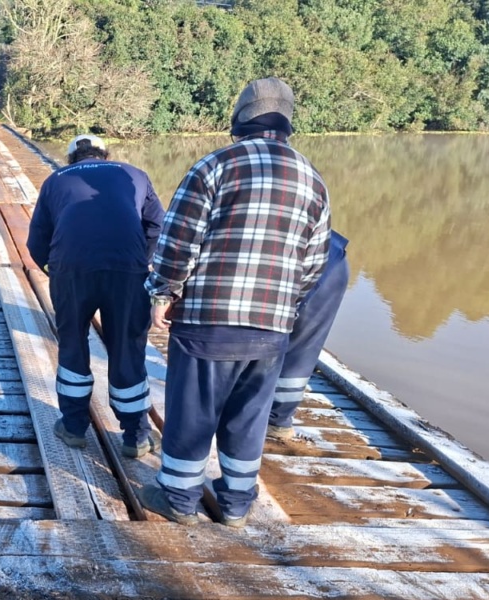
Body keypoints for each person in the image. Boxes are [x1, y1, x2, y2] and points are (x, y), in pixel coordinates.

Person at [143, 78, 331, 527]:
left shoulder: (214, 167)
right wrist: (284, 310)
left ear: (240, 117)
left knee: (193, 412)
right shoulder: (312, 180)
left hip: (209, 321)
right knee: (249, 419)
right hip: (272, 330)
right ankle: (235, 505)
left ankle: (180, 500)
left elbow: (178, 244)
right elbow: (314, 264)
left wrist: (163, 293)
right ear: (287, 122)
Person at [27, 134, 165, 458]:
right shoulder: (136, 174)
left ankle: (74, 427)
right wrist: (138, 263)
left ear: (72, 158)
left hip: (72, 270)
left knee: (73, 343)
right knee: (128, 348)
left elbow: (36, 243)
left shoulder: (55, 180)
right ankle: (136, 436)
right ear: (106, 154)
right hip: (128, 273)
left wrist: (56, 272)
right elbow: (158, 226)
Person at [267, 231, 349, 440]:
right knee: (302, 349)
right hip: (330, 260)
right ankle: (279, 421)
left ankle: (273, 419)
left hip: (301, 263)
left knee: (260, 339)